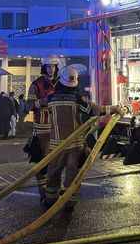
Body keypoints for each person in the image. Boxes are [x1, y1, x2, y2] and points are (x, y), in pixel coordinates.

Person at [38, 66, 124, 212]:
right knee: (73, 175)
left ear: (60, 81)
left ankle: (50, 201)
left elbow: (35, 105)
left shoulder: (51, 99)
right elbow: (97, 110)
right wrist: (116, 109)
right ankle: (70, 204)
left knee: (53, 174)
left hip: (56, 146)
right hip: (75, 145)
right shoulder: (77, 99)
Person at [27, 55, 60, 204]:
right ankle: (43, 194)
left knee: (58, 162)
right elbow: (29, 106)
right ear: (43, 67)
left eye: (53, 66)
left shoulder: (61, 83)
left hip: (58, 128)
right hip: (42, 130)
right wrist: (46, 101)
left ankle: (54, 192)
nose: (51, 69)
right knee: (42, 163)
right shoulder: (36, 84)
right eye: (48, 66)